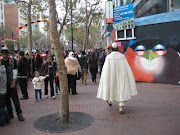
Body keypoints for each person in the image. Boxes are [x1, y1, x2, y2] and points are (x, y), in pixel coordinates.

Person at [97, 43, 137, 114]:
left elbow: (106, 70)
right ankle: (121, 107)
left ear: (111, 49)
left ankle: (109, 100)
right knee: (121, 88)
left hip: (112, 76)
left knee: (110, 87)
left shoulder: (109, 58)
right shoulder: (122, 57)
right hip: (121, 75)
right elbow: (127, 68)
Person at [0, 46, 25, 121]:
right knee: (6, 100)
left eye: (5, 53)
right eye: (2, 53)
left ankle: (19, 113)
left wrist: (13, 83)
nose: (4, 54)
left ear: (8, 53)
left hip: (11, 83)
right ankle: (10, 114)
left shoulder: (13, 61)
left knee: (15, 99)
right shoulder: (0, 62)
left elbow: (15, 72)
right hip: (3, 85)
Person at [0, 61, 10, 126]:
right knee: (2, 107)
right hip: (4, 90)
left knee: (1, 108)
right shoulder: (3, 71)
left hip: (0, 91)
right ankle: (7, 118)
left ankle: (3, 120)